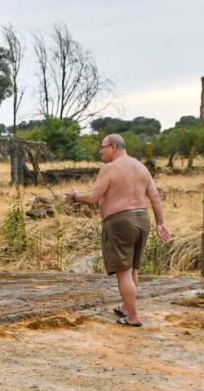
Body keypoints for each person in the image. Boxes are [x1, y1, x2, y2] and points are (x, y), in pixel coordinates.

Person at [64, 133, 171, 326]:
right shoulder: (141, 167)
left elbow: (92, 199)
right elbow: (154, 197)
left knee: (123, 272)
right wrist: (160, 223)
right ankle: (124, 307)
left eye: (102, 147)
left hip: (121, 222)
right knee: (132, 270)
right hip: (142, 219)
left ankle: (133, 317)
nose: (100, 151)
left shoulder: (109, 168)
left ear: (113, 147)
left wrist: (74, 196)